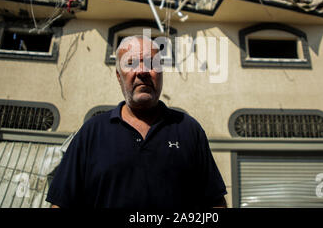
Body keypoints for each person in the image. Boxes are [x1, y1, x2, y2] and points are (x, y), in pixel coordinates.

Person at [46, 35, 227, 208]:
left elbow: (215, 202)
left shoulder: (188, 130)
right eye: (131, 63)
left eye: (151, 63)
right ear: (119, 76)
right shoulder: (92, 132)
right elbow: (62, 203)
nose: (142, 71)